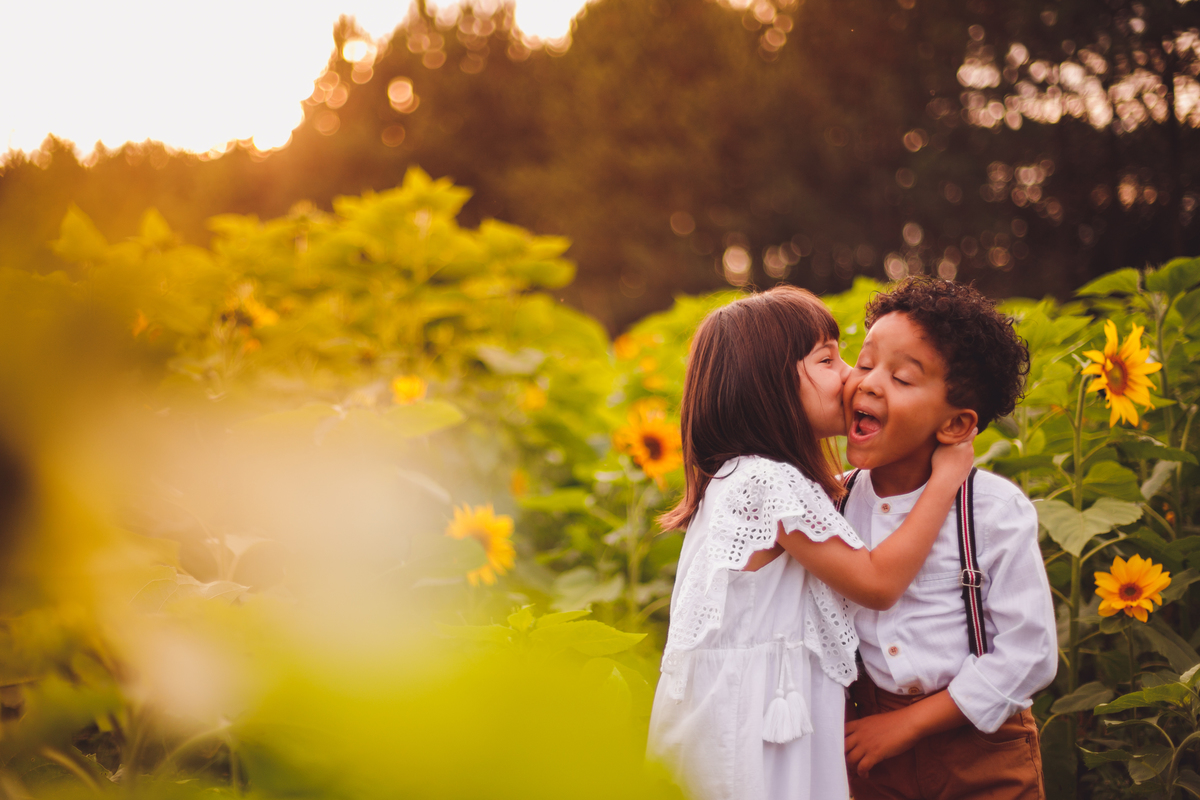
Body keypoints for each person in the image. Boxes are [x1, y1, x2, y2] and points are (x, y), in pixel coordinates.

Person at [646, 286, 976, 800]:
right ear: (766, 388)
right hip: (750, 737)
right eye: (827, 359)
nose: (851, 375)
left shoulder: (744, 478)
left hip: (747, 720)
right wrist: (945, 478)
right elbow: (877, 582)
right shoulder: (765, 483)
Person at [840, 277, 1057, 800]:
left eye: (903, 378)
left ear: (956, 425)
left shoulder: (992, 510)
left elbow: (1030, 652)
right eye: (864, 363)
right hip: (866, 745)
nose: (868, 383)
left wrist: (909, 724)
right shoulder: (835, 501)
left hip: (979, 746)